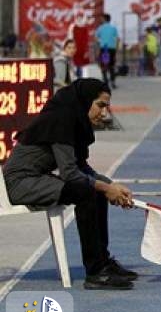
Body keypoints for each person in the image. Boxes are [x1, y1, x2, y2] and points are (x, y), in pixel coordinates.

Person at [2, 79, 137, 290]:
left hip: (37, 178)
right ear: (85, 101)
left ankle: (102, 261)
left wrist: (113, 186)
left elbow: (82, 168)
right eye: (100, 105)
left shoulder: (74, 118)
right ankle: (95, 273)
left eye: (106, 107)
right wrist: (107, 188)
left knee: (95, 190)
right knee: (86, 192)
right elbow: (71, 175)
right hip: (20, 183)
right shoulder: (62, 119)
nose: (104, 113)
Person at [95, 13, 119, 89]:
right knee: (111, 66)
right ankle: (113, 81)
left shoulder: (100, 28)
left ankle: (105, 81)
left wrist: (100, 43)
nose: (100, 20)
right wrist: (116, 48)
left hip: (104, 48)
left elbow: (95, 38)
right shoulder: (113, 28)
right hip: (112, 49)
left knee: (104, 65)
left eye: (102, 18)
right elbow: (118, 39)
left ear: (104, 19)